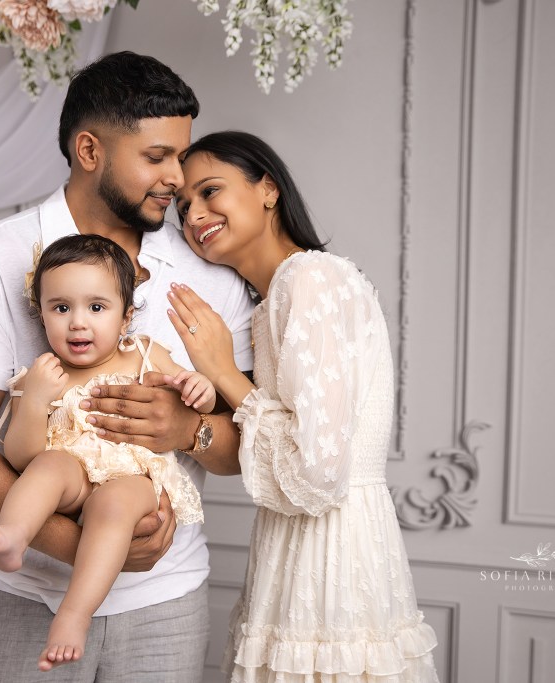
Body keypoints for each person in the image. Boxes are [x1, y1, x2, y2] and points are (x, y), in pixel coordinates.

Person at [0, 53, 255, 683]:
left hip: (166, 603)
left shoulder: (212, 278)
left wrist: (185, 431)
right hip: (16, 599)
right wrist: (90, 548)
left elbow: (243, 449)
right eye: (157, 157)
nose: (177, 179)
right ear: (90, 149)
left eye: (181, 156)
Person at [167, 131, 440, 682]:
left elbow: (316, 473)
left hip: (332, 551)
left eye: (209, 191)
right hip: (293, 546)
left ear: (267, 189)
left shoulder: (311, 277)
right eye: (182, 205)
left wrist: (221, 371)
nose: (194, 214)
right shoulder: (275, 296)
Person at [0, 234, 214, 671]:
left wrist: (199, 388)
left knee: (114, 503)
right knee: (50, 464)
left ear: (126, 317)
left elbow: (195, 404)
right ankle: (13, 538)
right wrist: (36, 399)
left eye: (96, 308)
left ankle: (73, 615)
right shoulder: (40, 375)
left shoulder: (145, 355)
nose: (78, 322)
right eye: (61, 308)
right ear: (41, 316)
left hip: (132, 477)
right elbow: (20, 457)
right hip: (74, 476)